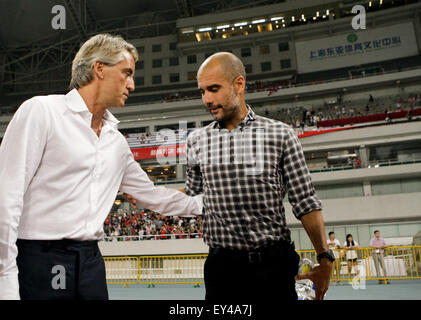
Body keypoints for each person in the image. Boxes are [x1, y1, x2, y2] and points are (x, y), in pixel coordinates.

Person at [0, 34, 202, 300]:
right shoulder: (41, 111)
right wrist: (5, 277)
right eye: (126, 73)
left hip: (91, 261)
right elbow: (7, 195)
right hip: (39, 259)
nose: (132, 84)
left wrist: (208, 204)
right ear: (99, 69)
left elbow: (153, 196)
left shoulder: (116, 142)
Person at [184, 52, 333, 301]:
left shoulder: (281, 135)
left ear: (239, 84)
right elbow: (192, 196)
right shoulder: (196, 141)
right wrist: (145, 192)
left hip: (273, 266)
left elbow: (305, 201)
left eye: (214, 89)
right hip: (222, 269)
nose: (207, 99)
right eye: (202, 92)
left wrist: (324, 257)